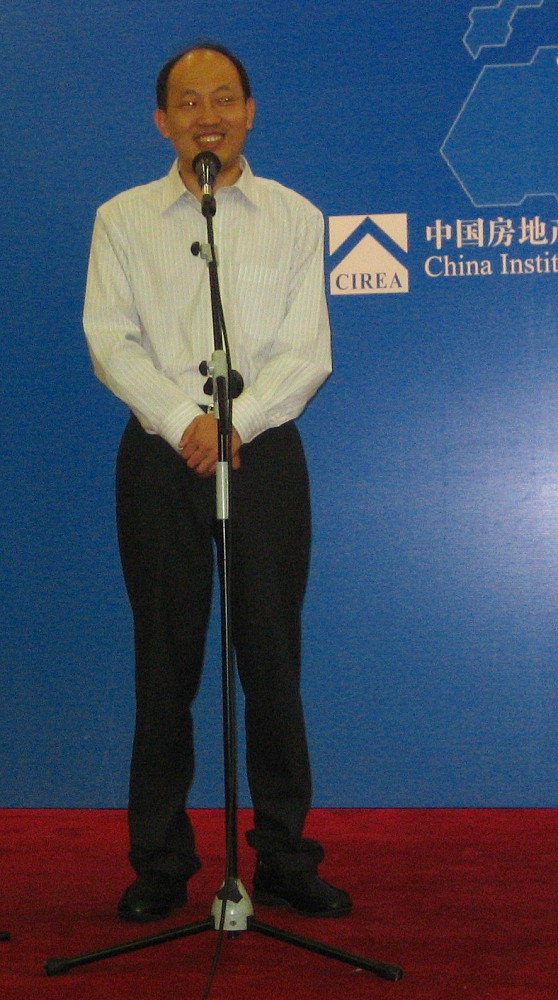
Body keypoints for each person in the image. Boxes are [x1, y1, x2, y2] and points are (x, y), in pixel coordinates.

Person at [84, 42, 351, 923]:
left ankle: (283, 856)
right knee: (165, 664)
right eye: (190, 102)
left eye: (225, 98)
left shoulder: (295, 216)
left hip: (262, 453)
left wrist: (241, 422)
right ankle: (161, 861)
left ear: (250, 111)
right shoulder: (122, 219)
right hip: (160, 456)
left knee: (272, 661)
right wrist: (183, 420)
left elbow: (307, 349)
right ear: (163, 121)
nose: (210, 116)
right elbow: (111, 339)